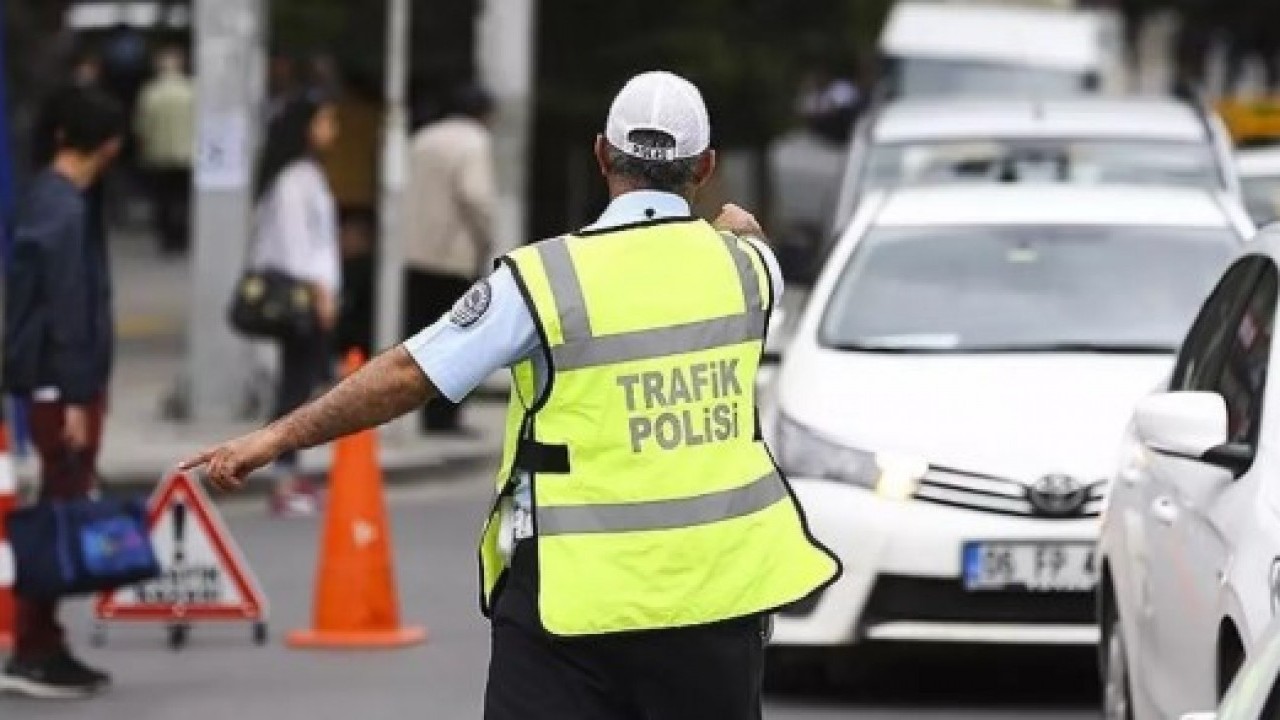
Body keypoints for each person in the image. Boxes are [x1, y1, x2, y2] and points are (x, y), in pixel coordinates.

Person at [182, 70, 840, 719]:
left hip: (571, 607)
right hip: (717, 604)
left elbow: (411, 374)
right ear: (705, 168)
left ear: (602, 155)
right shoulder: (749, 270)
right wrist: (738, 230)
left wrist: (275, 436)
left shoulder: (544, 280)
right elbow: (751, 244)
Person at [1, 87, 124, 699]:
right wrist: (77, 397)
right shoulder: (65, 210)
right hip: (61, 387)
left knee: (59, 505)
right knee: (58, 511)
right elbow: (68, 311)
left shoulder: (47, 199)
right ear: (110, 145)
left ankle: (43, 641)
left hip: (52, 381)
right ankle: (34, 647)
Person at [249, 92, 342, 517]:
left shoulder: (307, 174)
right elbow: (295, 245)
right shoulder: (292, 179)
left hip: (311, 293)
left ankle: (290, 472)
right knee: (295, 388)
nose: (332, 131)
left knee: (302, 384)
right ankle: (283, 476)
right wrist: (320, 292)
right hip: (300, 296)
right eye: (325, 121)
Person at [402, 83, 496, 434]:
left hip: (416, 251)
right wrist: (486, 237)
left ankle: (426, 412)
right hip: (453, 254)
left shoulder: (423, 138)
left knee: (424, 337)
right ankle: (446, 417)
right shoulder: (474, 141)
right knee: (459, 339)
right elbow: (476, 195)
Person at [134, 46, 195, 254]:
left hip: (158, 154)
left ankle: (167, 238)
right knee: (184, 198)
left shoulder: (150, 93)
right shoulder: (192, 91)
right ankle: (183, 236)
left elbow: (141, 126)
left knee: (163, 198)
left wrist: (143, 149)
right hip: (188, 154)